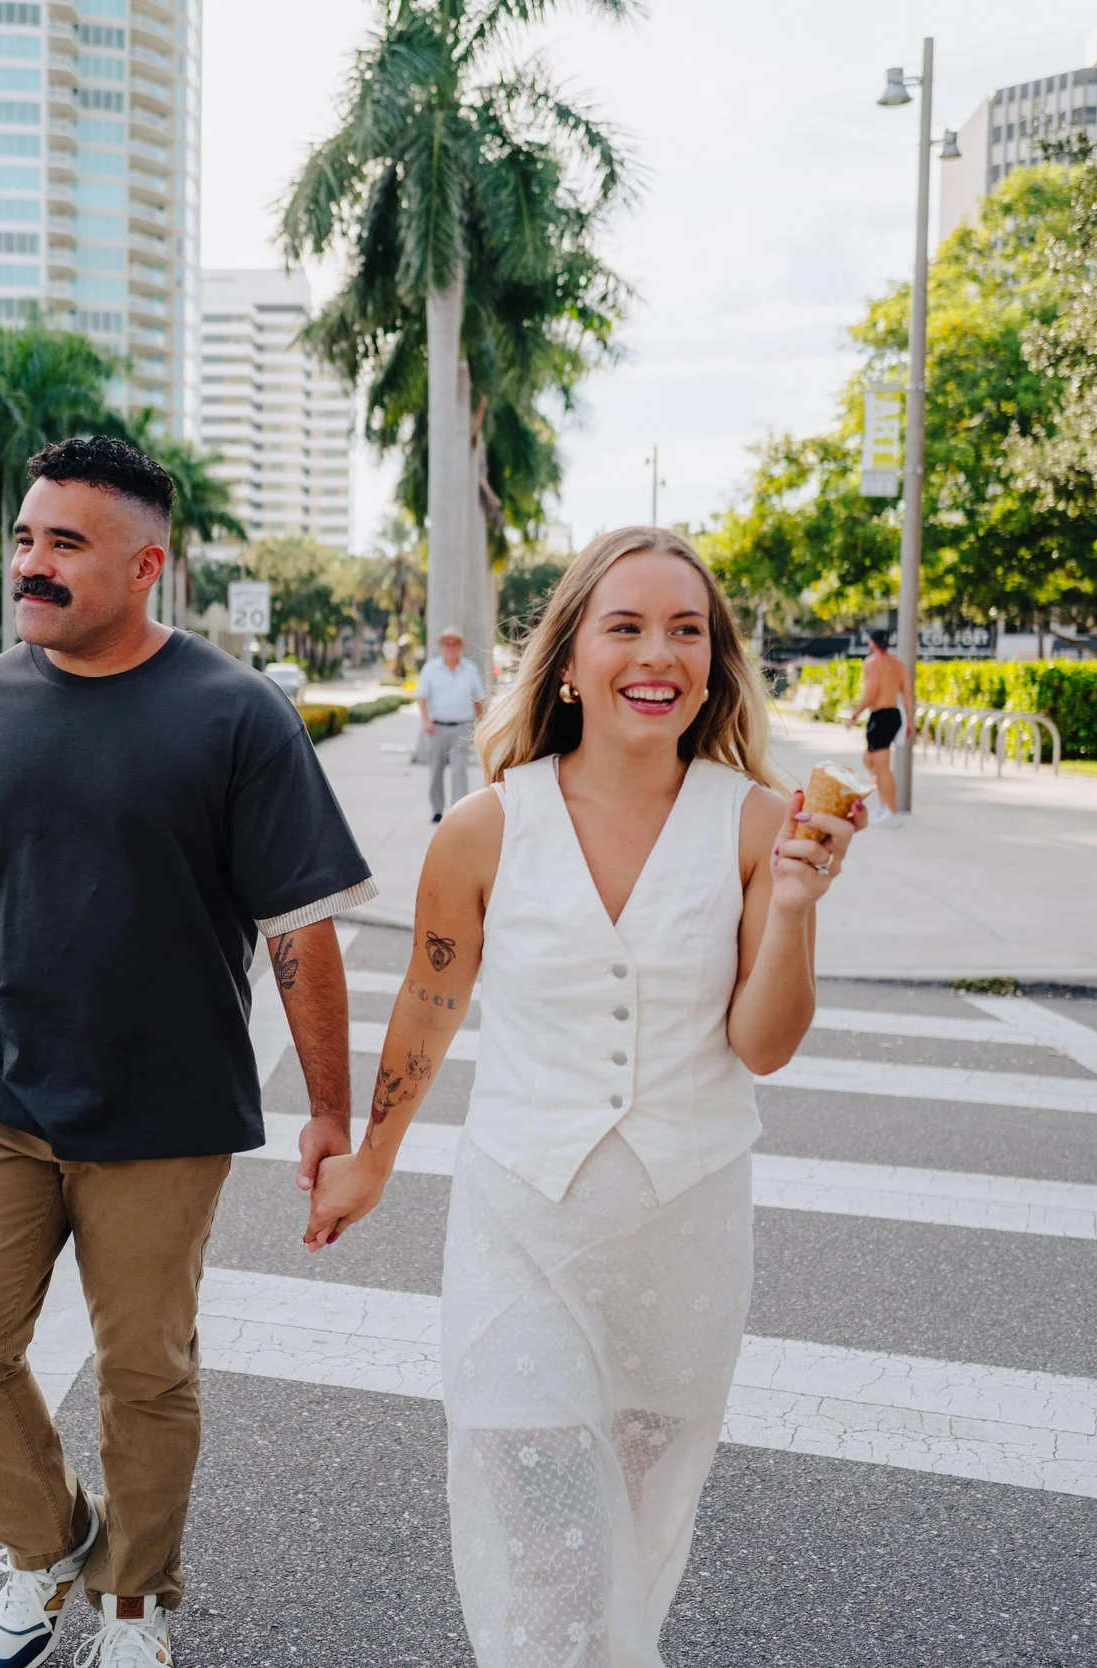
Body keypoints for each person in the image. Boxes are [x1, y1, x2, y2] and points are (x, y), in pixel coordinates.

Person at [0, 435, 375, 1668]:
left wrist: (331, 1112)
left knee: (145, 1373)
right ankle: (52, 1542)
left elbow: (300, 930)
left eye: (64, 545)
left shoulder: (235, 714)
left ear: (146, 568)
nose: (32, 565)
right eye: (25, 539)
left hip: (165, 1110)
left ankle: (133, 1605)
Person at [303, 525, 862, 1668]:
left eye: (685, 630)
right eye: (625, 626)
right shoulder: (485, 827)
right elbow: (429, 998)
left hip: (683, 1223)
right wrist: (373, 1156)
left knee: (641, 1528)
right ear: (567, 661)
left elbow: (762, 1047)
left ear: (712, 664)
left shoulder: (757, 823)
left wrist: (796, 909)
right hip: (521, 1220)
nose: (657, 654)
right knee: (534, 1514)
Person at [419, 625, 486, 822]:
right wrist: (425, 721)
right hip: (437, 727)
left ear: (460, 646)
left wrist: (480, 724)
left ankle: (459, 811)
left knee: (459, 771)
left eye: (455, 643)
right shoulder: (431, 669)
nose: (451, 647)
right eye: (447, 643)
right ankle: (437, 810)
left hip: (462, 727)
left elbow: (478, 699)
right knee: (435, 771)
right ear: (441, 646)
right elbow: (422, 697)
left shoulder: (470, 670)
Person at [850, 626, 910, 824]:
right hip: (893, 715)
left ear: (872, 644)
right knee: (870, 760)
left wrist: (854, 714)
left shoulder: (872, 663)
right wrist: (909, 721)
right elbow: (907, 694)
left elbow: (871, 693)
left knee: (882, 767)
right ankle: (886, 806)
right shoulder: (899, 665)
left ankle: (892, 812)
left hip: (881, 716)